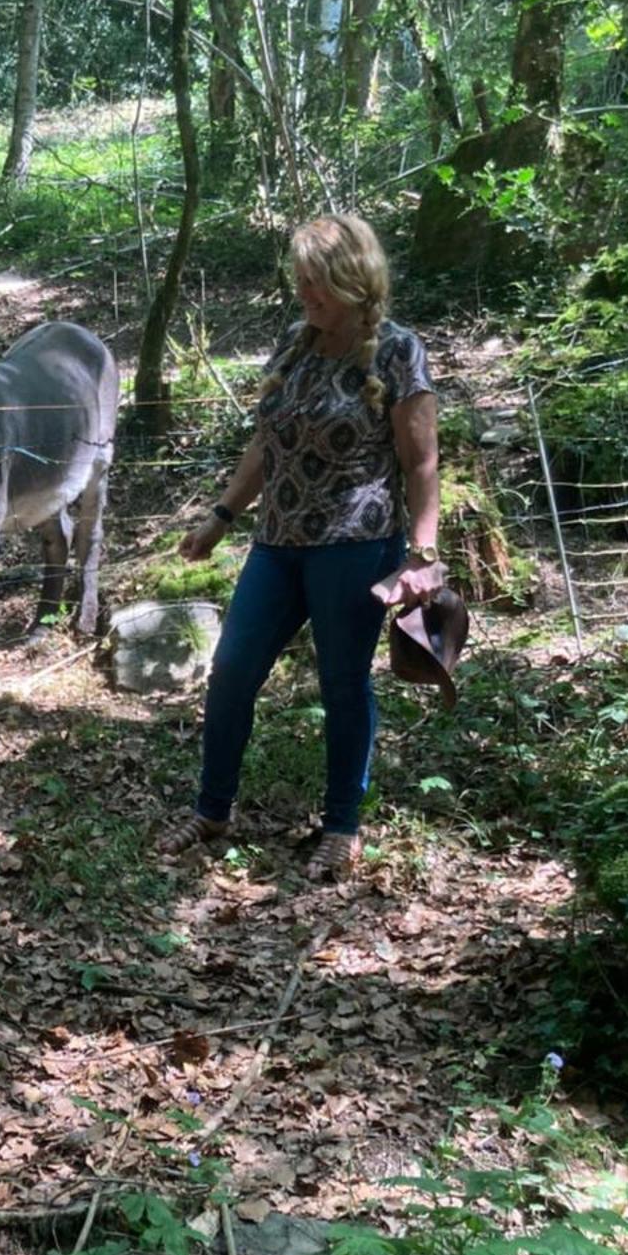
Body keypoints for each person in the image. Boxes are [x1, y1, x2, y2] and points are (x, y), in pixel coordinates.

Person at [160, 212, 444, 878]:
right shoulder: (295, 342)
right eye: (301, 281)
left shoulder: (397, 351)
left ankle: (342, 828)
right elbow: (267, 442)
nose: (306, 295)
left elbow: (422, 462)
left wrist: (423, 555)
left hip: (357, 544)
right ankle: (212, 810)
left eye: (318, 283)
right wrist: (222, 515)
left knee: (344, 686)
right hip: (277, 542)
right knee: (231, 672)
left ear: (354, 279)